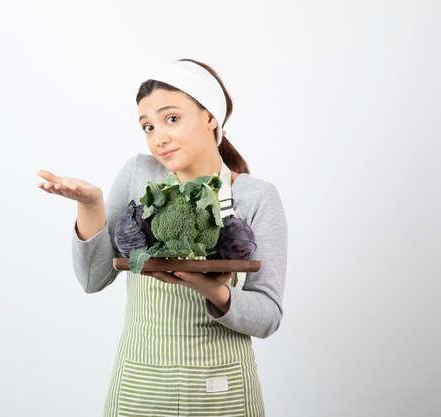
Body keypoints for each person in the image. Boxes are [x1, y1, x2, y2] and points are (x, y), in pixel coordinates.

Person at [36, 58, 288, 417]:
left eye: (172, 119)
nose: (159, 137)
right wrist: (91, 206)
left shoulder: (257, 196)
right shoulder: (139, 175)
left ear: (209, 116)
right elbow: (93, 279)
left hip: (221, 390)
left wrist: (211, 289)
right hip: (141, 386)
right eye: (148, 126)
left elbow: (268, 316)